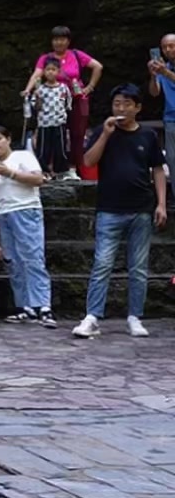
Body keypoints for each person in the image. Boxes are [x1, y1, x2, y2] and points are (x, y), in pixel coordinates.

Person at [73, 85, 166, 338]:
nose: (121, 108)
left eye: (127, 104)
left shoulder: (147, 136)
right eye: (117, 103)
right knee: (102, 263)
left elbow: (157, 169)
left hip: (141, 209)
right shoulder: (104, 132)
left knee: (138, 267)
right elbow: (89, 161)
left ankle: (135, 316)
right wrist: (104, 134)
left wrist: (161, 203)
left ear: (137, 107)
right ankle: (92, 317)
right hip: (109, 209)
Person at [0, 125, 54, 327]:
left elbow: (38, 179)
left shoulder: (22, 156)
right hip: (3, 214)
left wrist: (9, 173)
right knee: (13, 261)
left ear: (8, 139)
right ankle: (24, 306)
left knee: (32, 257)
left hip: (25, 210)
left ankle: (43, 306)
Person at [22, 25, 102, 173]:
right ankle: (52, 167)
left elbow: (98, 67)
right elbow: (37, 74)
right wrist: (28, 89)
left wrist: (89, 87)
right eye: (56, 39)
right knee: (54, 134)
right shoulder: (46, 58)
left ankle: (77, 167)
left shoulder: (76, 55)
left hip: (76, 98)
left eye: (62, 39)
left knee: (77, 134)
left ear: (68, 41)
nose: (59, 43)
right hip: (53, 102)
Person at [31, 56, 74, 176]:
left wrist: (64, 114)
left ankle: (61, 171)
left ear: (58, 71)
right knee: (43, 149)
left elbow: (68, 103)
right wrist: (38, 97)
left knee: (60, 147)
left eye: (53, 69)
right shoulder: (40, 89)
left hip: (59, 122)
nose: (50, 72)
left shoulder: (63, 88)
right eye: (48, 69)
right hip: (44, 123)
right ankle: (43, 171)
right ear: (44, 72)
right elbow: (36, 107)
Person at [147, 35, 175, 182]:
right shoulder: (163, 67)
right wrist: (153, 76)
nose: (168, 49)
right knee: (172, 161)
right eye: (164, 47)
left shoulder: (165, 70)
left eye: (171, 45)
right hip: (171, 119)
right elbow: (154, 92)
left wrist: (165, 73)